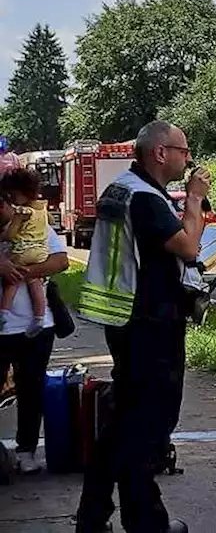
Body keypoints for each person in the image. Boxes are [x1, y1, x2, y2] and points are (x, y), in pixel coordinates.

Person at [74, 120, 210, 533]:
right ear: (159, 152)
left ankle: (94, 516)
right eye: (183, 151)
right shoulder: (146, 199)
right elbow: (187, 246)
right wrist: (195, 199)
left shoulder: (125, 189)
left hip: (127, 318)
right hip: (149, 323)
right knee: (146, 425)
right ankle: (145, 520)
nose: (187, 159)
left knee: (121, 423)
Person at [0, 178, 70, 478]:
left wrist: (25, 271)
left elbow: (60, 261)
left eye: (7, 202)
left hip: (36, 327)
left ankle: (26, 451)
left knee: (31, 390)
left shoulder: (36, 225)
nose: (8, 208)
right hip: (2, 328)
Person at [0, 168, 51, 337]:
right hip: (39, 252)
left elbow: (11, 235)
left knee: (12, 281)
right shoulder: (42, 211)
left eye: (11, 196)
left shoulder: (22, 213)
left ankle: (3, 313)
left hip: (23, 251)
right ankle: (39, 317)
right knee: (34, 283)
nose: (11, 200)